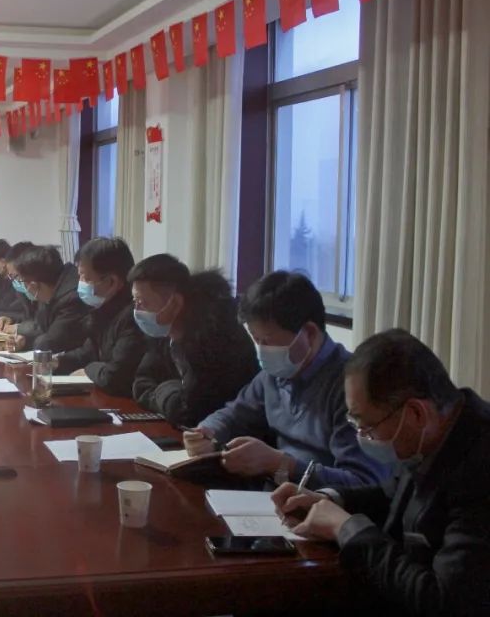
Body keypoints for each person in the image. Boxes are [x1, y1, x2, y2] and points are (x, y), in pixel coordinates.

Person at [273, 330, 490, 616]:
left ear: (415, 413)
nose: (363, 437)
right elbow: (394, 496)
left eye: (367, 426)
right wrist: (329, 500)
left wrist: (346, 528)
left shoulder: (480, 465)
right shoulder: (434, 433)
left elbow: (445, 602)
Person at [186, 272, 389, 489]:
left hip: (320, 503)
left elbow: (362, 483)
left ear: (309, 333)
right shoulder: (274, 374)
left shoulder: (351, 387)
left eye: (268, 340)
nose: (262, 350)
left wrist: (282, 464)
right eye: (256, 340)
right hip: (273, 496)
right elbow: (234, 414)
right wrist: (208, 431)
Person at [129, 254, 258, 426]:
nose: (137, 310)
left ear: (175, 303)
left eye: (143, 302)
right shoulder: (163, 332)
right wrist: (170, 391)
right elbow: (141, 383)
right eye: (135, 301)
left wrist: (162, 390)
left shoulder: (214, 338)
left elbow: (189, 413)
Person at [54, 237, 149, 397]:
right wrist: (55, 362)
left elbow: (114, 377)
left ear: (112, 282)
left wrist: (88, 370)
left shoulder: (134, 317)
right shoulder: (102, 309)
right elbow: (88, 352)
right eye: (79, 277)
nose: (80, 284)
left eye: (86, 278)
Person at [1, 245, 89, 353]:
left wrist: (31, 342)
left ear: (34, 285)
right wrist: (24, 340)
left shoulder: (72, 298)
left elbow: (51, 342)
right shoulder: (48, 289)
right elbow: (43, 329)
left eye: (21, 280)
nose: (24, 287)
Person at [0, 241, 38, 331]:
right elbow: (28, 318)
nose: (15, 281)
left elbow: (45, 328)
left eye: (15, 276)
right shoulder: (24, 292)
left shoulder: (46, 295)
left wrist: (18, 329)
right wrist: (10, 320)